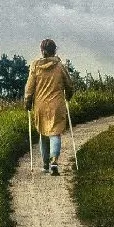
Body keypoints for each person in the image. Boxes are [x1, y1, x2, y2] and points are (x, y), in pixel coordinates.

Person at [24, 39, 74, 175]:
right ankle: (54, 162)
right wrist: (68, 95)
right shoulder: (59, 66)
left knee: (43, 133)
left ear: (42, 50)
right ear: (55, 50)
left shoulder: (35, 66)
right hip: (57, 104)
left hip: (40, 104)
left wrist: (27, 101)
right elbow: (69, 85)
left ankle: (45, 164)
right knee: (55, 133)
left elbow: (29, 87)